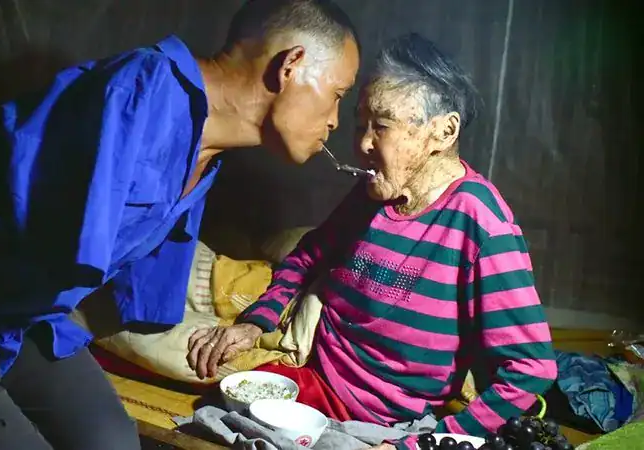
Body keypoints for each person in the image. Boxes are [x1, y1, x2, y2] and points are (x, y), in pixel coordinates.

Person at [0, 1, 359, 449]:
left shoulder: (206, 154)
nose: (336, 119)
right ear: (291, 65)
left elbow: (130, 286)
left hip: (23, 317)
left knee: (110, 440)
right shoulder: (138, 89)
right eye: (338, 93)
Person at [188, 33, 557, 450]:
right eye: (360, 124)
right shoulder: (372, 197)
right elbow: (307, 256)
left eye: (381, 125)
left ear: (443, 131)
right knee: (208, 395)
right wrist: (256, 323)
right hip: (310, 373)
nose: (362, 142)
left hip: (389, 422)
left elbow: (531, 369)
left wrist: (430, 443)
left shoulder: (481, 223)